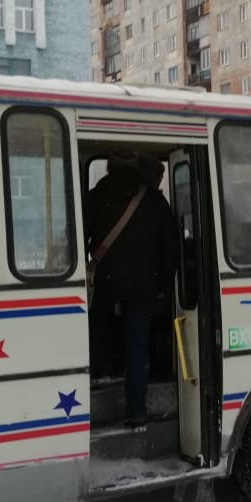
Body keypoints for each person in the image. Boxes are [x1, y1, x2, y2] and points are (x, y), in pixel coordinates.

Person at [86, 152, 176, 428]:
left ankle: (100, 374)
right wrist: (162, 286)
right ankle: (136, 412)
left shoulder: (94, 197)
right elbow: (170, 249)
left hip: (106, 281)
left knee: (101, 328)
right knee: (138, 347)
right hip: (143, 286)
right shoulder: (154, 201)